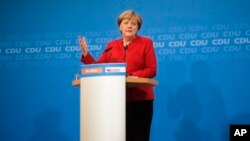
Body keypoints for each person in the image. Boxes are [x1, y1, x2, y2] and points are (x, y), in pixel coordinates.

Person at [79, 10, 157, 141]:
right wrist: (86, 54)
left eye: (133, 23)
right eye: (126, 23)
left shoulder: (146, 43)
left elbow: (151, 69)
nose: (129, 26)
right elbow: (98, 68)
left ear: (138, 27)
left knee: (139, 137)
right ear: (120, 26)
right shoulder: (112, 45)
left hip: (140, 99)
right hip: (115, 100)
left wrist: (130, 75)